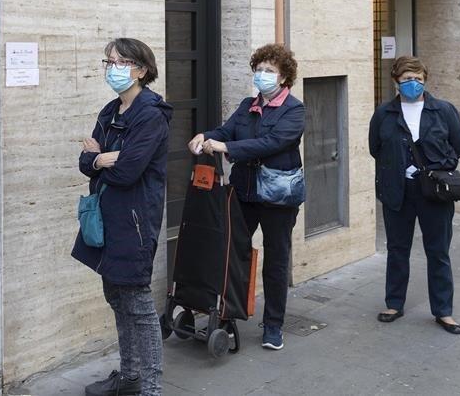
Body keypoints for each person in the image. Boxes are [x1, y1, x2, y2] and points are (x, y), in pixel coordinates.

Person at [189, 43, 304, 351]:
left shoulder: (294, 110)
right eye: (259, 69)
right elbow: (227, 131)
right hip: (245, 191)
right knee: (234, 254)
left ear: (283, 77)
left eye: (270, 71)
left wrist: (228, 149)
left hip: (278, 196)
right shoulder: (246, 106)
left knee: (276, 260)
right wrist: (207, 136)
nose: (262, 75)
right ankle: (228, 316)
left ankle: (274, 325)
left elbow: (272, 142)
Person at [73, 38, 172, 396]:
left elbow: (129, 171)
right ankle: (129, 378)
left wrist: (105, 158)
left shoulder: (151, 115)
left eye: (120, 62)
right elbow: (85, 162)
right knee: (116, 298)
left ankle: (151, 388)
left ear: (141, 70)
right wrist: (101, 159)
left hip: (135, 222)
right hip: (106, 218)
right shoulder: (109, 111)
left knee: (139, 306)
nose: (112, 68)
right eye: (108, 61)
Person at [369, 56, 460, 335]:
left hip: (434, 190)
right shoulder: (384, 114)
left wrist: (434, 166)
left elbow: (457, 144)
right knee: (397, 249)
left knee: (438, 251)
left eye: (418, 78)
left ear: (425, 79)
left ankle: (444, 311)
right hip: (397, 189)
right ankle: (394, 303)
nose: (413, 83)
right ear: (396, 81)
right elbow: (375, 147)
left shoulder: (443, 110)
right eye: (407, 78)